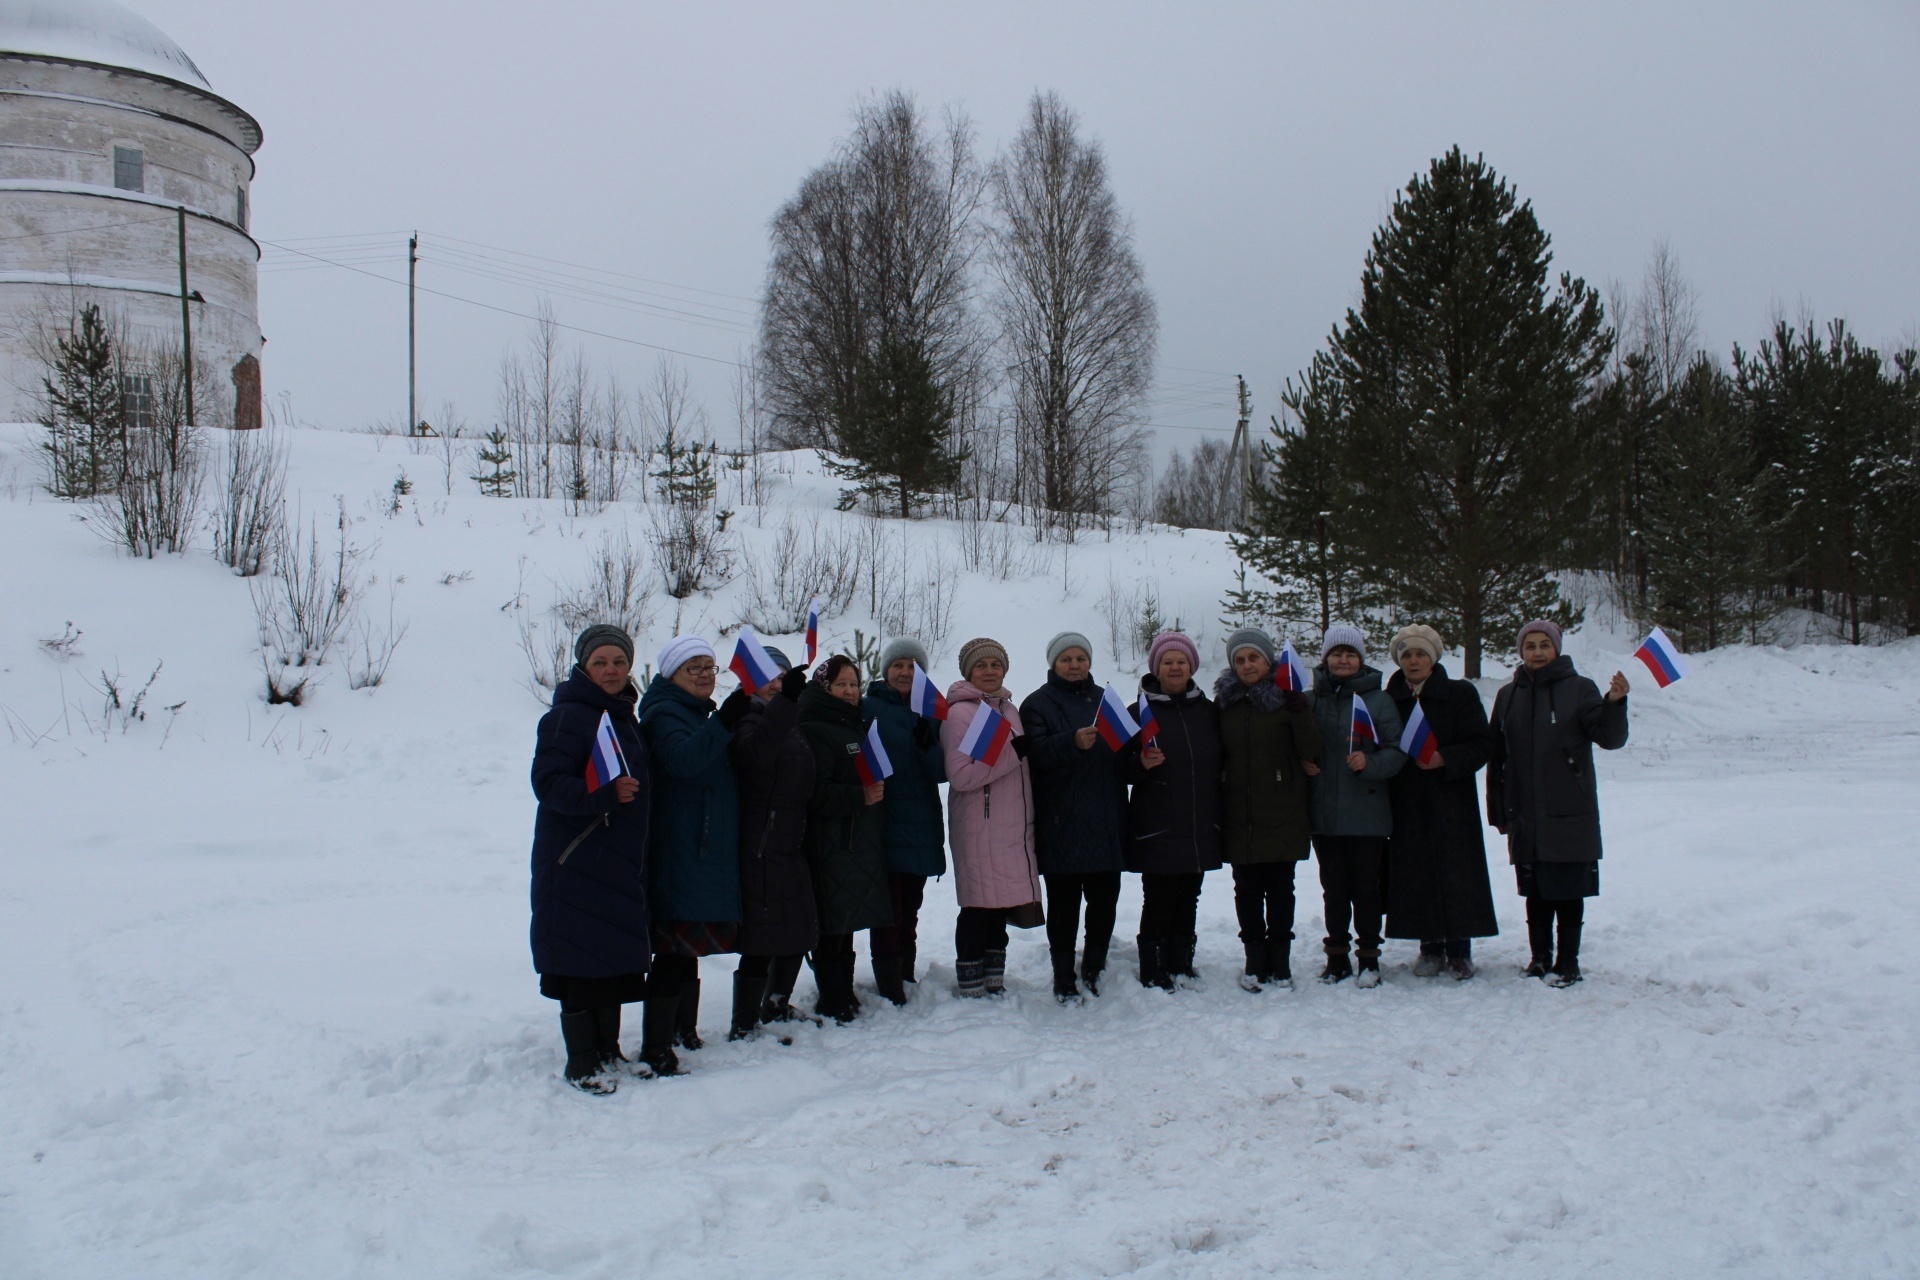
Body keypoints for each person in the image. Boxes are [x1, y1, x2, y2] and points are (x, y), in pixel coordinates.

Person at [528, 624, 652, 1094]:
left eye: (619, 662)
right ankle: (582, 1061)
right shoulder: (566, 718)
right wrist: (602, 795)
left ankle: (608, 1051)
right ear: (583, 667)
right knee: (580, 958)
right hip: (576, 857)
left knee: (612, 956)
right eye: (600, 662)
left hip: (617, 856)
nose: (611, 670)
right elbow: (548, 784)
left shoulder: (623, 716)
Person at [1486, 620, 1629, 987]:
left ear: (1557, 649)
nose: (1536, 652)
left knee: (1567, 890)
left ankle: (1568, 962)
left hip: (1568, 808)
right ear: (1521, 652)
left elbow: (1609, 738)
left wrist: (1614, 703)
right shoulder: (1508, 695)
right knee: (1534, 889)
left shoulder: (1580, 689)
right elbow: (1496, 756)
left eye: (1543, 645)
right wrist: (1498, 808)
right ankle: (1539, 958)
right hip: (1524, 809)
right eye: (1530, 646)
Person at [636, 635, 746, 1076]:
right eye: (693, 667)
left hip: (700, 843)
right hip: (680, 845)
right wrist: (724, 724)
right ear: (672, 674)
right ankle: (656, 1045)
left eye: (709, 667)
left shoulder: (697, 711)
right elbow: (682, 761)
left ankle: (684, 1029)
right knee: (672, 947)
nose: (704, 674)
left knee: (685, 947)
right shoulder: (665, 714)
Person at [1382, 625, 1498, 980]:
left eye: (1420, 654)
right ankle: (1429, 947)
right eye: (1406, 655)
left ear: (1433, 658)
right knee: (1417, 873)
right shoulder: (1392, 698)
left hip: (1452, 799)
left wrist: (1445, 758)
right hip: (1408, 800)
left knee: (1456, 872)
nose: (1413, 661)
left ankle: (1460, 950)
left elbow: (1483, 743)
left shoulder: (1460, 694)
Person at [1020, 631, 1129, 1002]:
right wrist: (1070, 742)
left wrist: (1140, 761)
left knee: (1104, 902)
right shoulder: (1036, 704)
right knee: (1064, 907)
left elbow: (1124, 756)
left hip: (1105, 818)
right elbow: (1032, 753)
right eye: (1066, 659)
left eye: (1080, 658)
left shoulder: (1106, 702)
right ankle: (1063, 973)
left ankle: (1095, 967)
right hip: (1060, 821)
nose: (1074, 665)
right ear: (1053, 664)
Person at [1215, 626, 1324, 992]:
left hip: (1283, 811)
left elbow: (1311, 748)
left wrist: (1298, 709)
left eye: (1254, 658)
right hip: (1239, 813)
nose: (1247, 665)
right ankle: (1253, 960)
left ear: (1268, 661)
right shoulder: (1225, 705)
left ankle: (1280, 962)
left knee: (1280, 890)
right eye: (1240, 659)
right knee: (1246, 890)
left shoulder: (1288, 699)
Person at [1304, 625, 1406, 987]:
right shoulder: (1309, 699)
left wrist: (1371, 764)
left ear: (1361, 659)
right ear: (1326, 658)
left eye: (1350, 654)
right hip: (1324, 813)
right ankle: (1336, 958)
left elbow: (1397, 749)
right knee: (1334, 889)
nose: (1342, 660)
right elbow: (1293, 743)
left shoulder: (1378, 701)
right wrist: (1303, 763)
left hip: (1368, 812)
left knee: (1366, 888)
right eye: (1336, 654)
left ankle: (1369, 959)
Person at [941, 637, 1042, 997]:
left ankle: (993, 976)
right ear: (968, 672)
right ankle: (970, 978)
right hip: (979, 824)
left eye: (995, 665)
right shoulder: (961, 714)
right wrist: (1013, 754)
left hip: (1012, 825)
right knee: (978, 905)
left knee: (999, 905)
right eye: (981, 666)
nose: (989, 671)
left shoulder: (1008, 709)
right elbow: (963, 776)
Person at [726, 646, 818, 1040]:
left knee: (798, 926)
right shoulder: (744, 719)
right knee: (762, 935)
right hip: (761, 840)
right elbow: (756, 755)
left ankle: (776, 1002)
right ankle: (744, 1023)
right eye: (768, 677)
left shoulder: (789, 723)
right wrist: (788, 703)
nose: (776, 684)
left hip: (791, 839)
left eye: (782, 678)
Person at [797, 654, 893, 1023]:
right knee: (833, 923)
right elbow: (814, 791)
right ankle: (833, 999)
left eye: (854, 684)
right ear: (825, 688)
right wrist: (859, 796)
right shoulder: (815, 727)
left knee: (847, 919)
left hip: (855, 839)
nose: (850, 691)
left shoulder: (853, 724)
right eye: (841, 684)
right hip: (831, 841)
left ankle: (843, 993)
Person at [1125, 630, 1221, 990]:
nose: (1175, 667)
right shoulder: (1138, 712)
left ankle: (1181, 963)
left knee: (1189, 895)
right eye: (1167, 661)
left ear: (1192, 667)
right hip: (1157, 822)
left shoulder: (1209, 711)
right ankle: (1153, 968)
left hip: (1199, 820)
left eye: (1181, 661)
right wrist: (1140, 765)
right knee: (1159, 897)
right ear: (1157, 668)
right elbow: (1116, 768)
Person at [862, 637, 948, 1004]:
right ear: (885, 671)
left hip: (922, 822)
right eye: (898, 665)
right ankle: (889, 984)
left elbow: (941, 773)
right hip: (882, 819)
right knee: (888, 909)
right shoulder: (867, 708)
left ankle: (905, 972)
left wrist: (929, 742)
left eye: (913, 667)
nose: (904, 672)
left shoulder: (930, 713)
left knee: (910, 906)